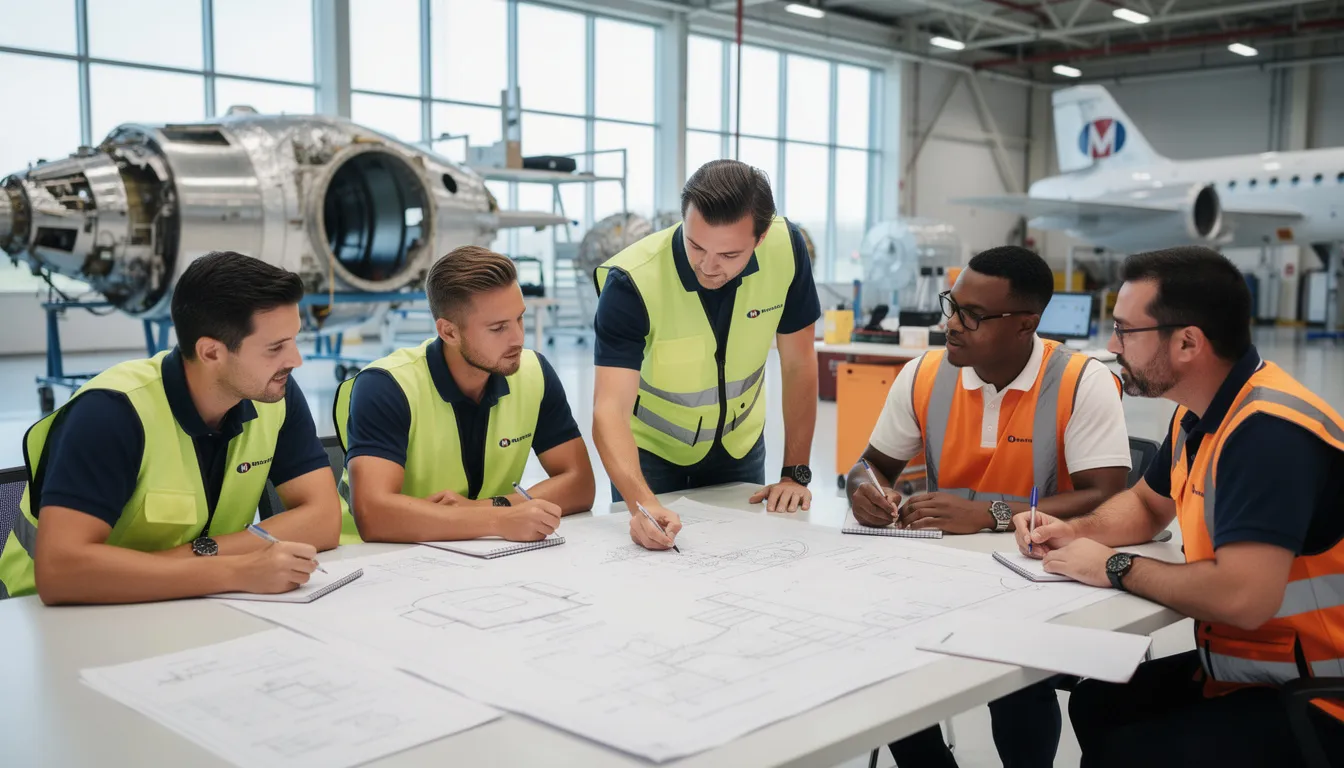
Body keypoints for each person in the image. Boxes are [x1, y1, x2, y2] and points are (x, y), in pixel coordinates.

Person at [1019, 246, 1344, 767]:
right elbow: (1147, 508)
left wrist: (1113, 565)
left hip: (1321, 693)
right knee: (1100, 702)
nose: (1112, 344)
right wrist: (1076, 532)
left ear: (1188, 342)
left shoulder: (1268, 434)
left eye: (1126, 330)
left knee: (1133, 749)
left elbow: (1244, 598)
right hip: (1258, 664)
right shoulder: (1202, 412)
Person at [846, 245, 1132, 768]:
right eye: (951, 305)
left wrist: (991, 514)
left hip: (1041, 574)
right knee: (882, 655)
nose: (952, 324)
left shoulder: (1081, 380)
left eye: (973, 315)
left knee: (1017, 678)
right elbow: (869, 466)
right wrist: (866, 490)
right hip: (940, 573)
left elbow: (1109, 494)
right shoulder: (924, 374)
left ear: (1027, 324)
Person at [0, 251, 341, 604]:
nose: (296, 360)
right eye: (276, 347)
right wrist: (238, 570)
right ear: (211, 353)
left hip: (182, 600)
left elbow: (324, 520)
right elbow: (61, 572)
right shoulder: (110, 413)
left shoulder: (273, 394)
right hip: (51, 619)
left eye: (295, 339)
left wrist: (200, 555)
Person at [592, 159, 821, 551]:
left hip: (740, 447)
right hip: (650, 455)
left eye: (729, 255)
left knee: (741, 562)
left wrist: (794, 473)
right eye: (695, 245)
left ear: (760, 238)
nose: (708, 266)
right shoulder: (632, 282)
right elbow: (608, 411)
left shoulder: (787, 251)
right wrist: (642, 504)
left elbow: (799, 364)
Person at [337, 246, 594, 544]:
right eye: (498, 328)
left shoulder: (533, 372)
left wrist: (488, 509)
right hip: (374, 561)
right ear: (448, 332)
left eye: (519, 319)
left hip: (479, 550)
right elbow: (374, 516)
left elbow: (581, 484)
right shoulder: (386, 385)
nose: (518, 339)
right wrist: (498, 520)